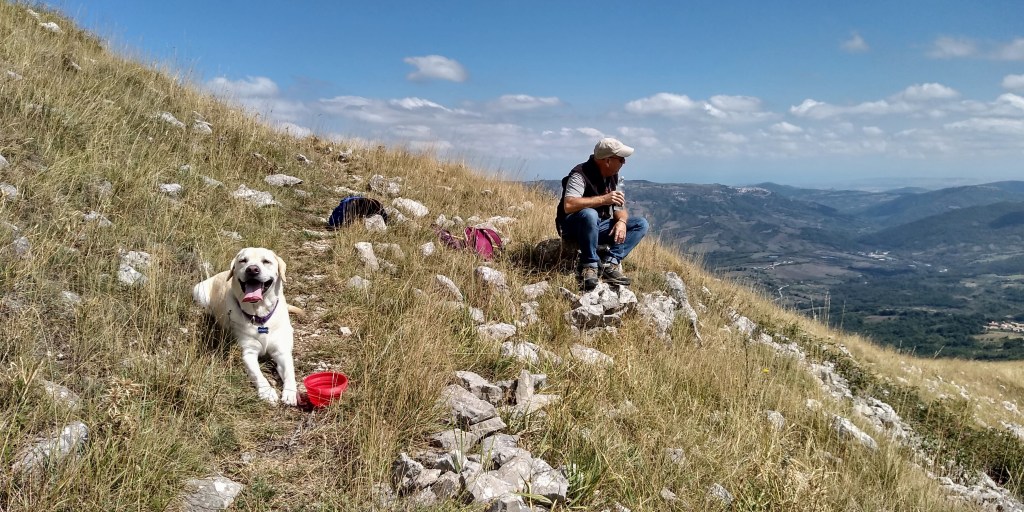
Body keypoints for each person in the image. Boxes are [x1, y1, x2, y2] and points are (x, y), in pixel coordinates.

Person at [555, 138, 650, 291]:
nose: (624, 162)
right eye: (621, 159)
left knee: (640, 224)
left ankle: (610, 263)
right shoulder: (580, 175)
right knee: (590, 214)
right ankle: (589, 265)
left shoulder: (613, 176)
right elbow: (569, 205)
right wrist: (603, 199)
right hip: (573, 227)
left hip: (597, 226)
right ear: (607, 160)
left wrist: (621, 222)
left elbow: (619, 208)